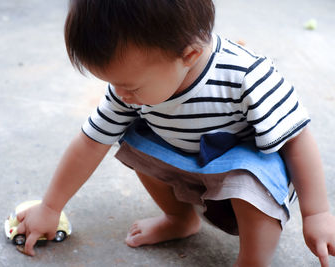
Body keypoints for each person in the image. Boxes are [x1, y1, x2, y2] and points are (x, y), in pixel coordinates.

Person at [16, 0, 335, 266]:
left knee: (251, 181)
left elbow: (297, 139)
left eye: (130, 86)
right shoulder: (131, 89)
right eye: (113, 83)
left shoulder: (247, 77)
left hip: (244, 180)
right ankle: (180, 219)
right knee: (134, 143)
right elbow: (91, 142)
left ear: (190, 55)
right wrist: (50, 207)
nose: (120, 94)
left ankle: (252, 260)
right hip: (187, 162)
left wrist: (317, 213)